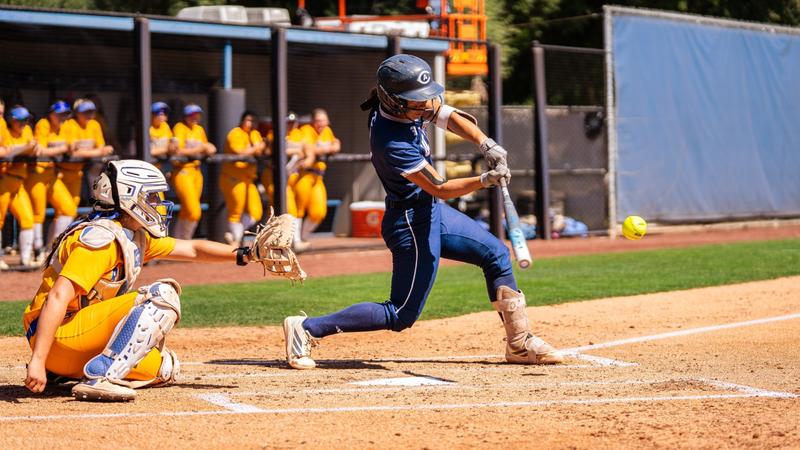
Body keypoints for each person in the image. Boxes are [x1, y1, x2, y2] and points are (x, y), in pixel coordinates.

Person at [283, 54, 564, 369]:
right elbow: (439, 187)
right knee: (401, 313)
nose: (426, 105)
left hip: (431, 213)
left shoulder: (405, 105)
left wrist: (487, 144)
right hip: (410, 222)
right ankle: (306, 328)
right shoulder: (390, 140)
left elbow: (449, 115)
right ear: (393, 101)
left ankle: (520, 344)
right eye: (417, 101)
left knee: (495, 255)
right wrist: (485, 180)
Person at [22, 159, 296, 402]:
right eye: (150, 196)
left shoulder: (133, 236)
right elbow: (58, 296)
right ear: (129, 197)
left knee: (165, 368)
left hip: (73, 341)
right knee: (162, 294)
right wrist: (38, 360)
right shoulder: (101, 240)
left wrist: (247, 253)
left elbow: (193, 249)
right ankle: (100, 377)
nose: (157, 203)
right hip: (59, 337)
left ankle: (68, 372)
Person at [27, 101, 78, 263]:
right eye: (59, 114)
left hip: (52, 174)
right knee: (38, 214)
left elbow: (73, 147)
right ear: (51, 114)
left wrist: (65, 148)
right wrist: (63, 149)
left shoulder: (67, 126)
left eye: (65, 114)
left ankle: (53, 248)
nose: (63, 117)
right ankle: (36, 251)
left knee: (69, 208)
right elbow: (41, 150)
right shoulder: (43, 124)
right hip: (37, 173)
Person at [261, 112, 310, 251]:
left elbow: (307, 150)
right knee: (289, 208)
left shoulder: (298, 134)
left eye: (293, 123)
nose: (291, 125)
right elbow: (278, 150)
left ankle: (269, 243)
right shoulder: (274, 133)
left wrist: (302, 154)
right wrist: (297, 151)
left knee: (276, 213)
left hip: (288, 178)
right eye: (288, 122)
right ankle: (296, 242)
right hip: (273, 176)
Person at [293, 108, 340, 246]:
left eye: (323, 120)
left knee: (319, 212)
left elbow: (336, 144)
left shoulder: (327, 131)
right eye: (318, 121)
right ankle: (295, 241)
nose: (321, 123)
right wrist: (328, 148)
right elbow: (309, 148)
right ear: (313, 121)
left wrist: (333, 146)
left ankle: (302, 237)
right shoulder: (306, 130)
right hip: (304, 174)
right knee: (299, 208)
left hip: (318, 177)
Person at [171, 104, 216, 240]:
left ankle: (180, 241)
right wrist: (201, 148)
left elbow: (208, 147)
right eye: (191, 114)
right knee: (194, 211)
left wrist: (208, 147)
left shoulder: (199, 129)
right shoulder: (180, 127)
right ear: (186, 116)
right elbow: (177, 150)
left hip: (196, 172)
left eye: (197, 114)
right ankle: (184, 240)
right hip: (182, 171)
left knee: (187, 211)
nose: (195, 117)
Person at [220, 111, 266, 245]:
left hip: (248, 178)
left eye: (254, 121)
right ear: (242, 120)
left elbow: (261, 151)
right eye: (249, 120)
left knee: (256, 212)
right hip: (233, 178)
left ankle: (234, 236)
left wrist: (260, 147)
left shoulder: (255, 134)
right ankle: (236, 239)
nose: (252, 124)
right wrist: (257, 147)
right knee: (236, 210)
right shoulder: (235, 133)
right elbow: (240, 152)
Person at [0, 105, 37, 268]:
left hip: (19, 181)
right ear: (12, 120)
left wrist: (26, 149)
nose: (23, 123)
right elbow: (6, 152)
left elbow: (34, 147)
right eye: (20, 120)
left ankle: (25, 259)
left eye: (26, 119)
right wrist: (24, 148)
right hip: (4, 179)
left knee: (27, 218)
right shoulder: (5, 130)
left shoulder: (28, 130)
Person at [61, 99, 114, 210]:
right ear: (77, 113)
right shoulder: (69, 125)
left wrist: (94, 152)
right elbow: (72, 153)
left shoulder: (94, 124)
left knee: (73, 207)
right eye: (85, 112)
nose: (89, 115)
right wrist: (97, 152)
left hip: (84, 171)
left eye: (91, 112)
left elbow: (103, 148)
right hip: (66, 172)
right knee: (66, 208)